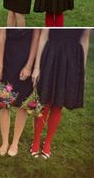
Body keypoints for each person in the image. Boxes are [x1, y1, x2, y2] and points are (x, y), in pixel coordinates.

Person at [31, 29, 90, 159]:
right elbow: (43, 37)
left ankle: (47, 143)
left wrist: (83, 69)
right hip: (51, 56)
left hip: (72, 60)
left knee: (58, 104)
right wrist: (36, 67)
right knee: (44, 103)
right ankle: (35, 141)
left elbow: (84, 40)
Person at [0, 29, 40, 156]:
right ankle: (5, 142)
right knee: (4, 104)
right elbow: (1, 37)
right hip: (8, 61)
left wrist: (29, 66)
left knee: (22, 104)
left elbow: (36, 38)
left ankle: (15, 142)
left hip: (26, 59)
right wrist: (0, 66)